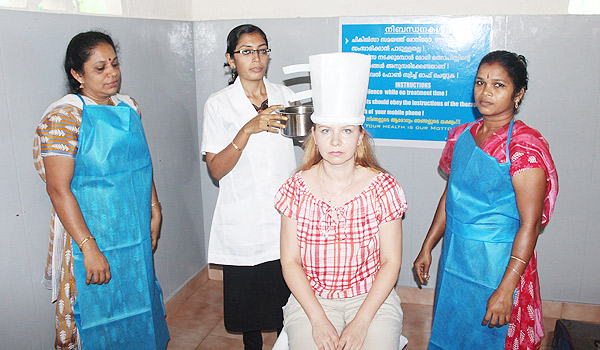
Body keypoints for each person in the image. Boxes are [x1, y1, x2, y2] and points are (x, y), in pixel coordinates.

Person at [413, 50, 558, 349]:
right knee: (452, 334)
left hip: (500, 265)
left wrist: (506, 289)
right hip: (457, 259)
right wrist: (427, 246)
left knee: (494, 337)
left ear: (518, 94)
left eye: (498, 85)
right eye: (480, 83)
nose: (486, 92)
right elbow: (449, 198)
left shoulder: (523, 148)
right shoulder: (462, 135)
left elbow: (529, 226)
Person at [33, 31, 169, 349]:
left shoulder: (128, 108)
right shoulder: (64, 117)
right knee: (95, 315)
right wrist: (88, 247)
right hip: (89, 236)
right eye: (99, 68)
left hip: (131, 233)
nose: (111, 73)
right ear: (77, 74)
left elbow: (140, 165)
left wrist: (155, 208)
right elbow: (58, 188)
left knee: (138, 306)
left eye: (114, 64)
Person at [275, 52, 406, 350]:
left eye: (346, 131)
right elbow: (291, 261)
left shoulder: (383, 188)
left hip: (372, 299)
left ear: (360, 136)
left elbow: (390, 262)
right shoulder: (296, 189)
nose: (335, 142)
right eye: (326, 131)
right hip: (312, 299)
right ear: (314, 136)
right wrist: (319, 320)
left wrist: (360, 323)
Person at [200, 24, 295, 350]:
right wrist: (247, 130)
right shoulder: (219, 104)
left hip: (284, 215)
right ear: (230, 59)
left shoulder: (285, 96)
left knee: (288, 300)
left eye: (262, 49)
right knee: (248, 309)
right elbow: (215, 169)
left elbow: (309, 144)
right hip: (244, 218)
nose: (256, 58)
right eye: (246, 51)